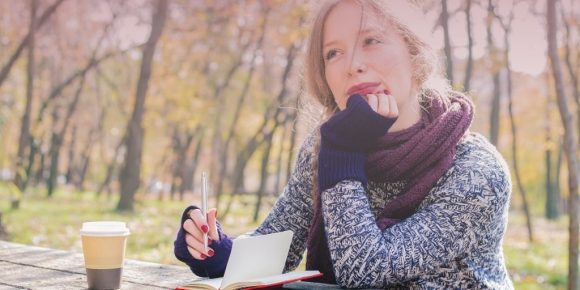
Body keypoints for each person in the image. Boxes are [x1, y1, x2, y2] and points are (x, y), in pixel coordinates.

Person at [174, 0, 514, 288]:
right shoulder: (326, 144)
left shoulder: (475, 171)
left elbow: (365, 272)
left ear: (415, 55)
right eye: (333, 53)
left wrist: (341, 156)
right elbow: (277, 248)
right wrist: (218, 251)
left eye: (372, 41)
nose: (353, 65)